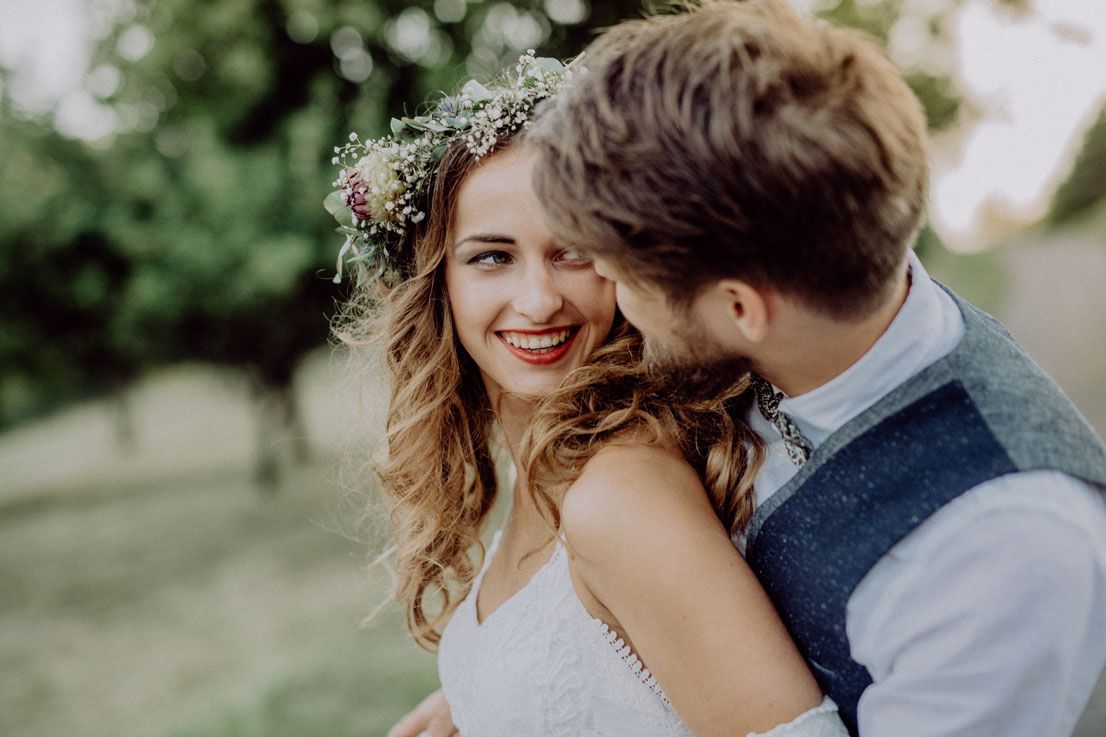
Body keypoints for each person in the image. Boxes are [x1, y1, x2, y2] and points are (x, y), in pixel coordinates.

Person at [520, 1, 1106, 736]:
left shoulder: (1005, 551)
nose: (615, 301)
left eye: (626, 278)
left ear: (742, 308)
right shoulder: (808, 293)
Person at [333, 55, 849, 736]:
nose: (539, 300)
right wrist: (479, 702)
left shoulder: (621, 495)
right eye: (492, 256)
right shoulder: (541, 463)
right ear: (440, 285)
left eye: (572, 251)